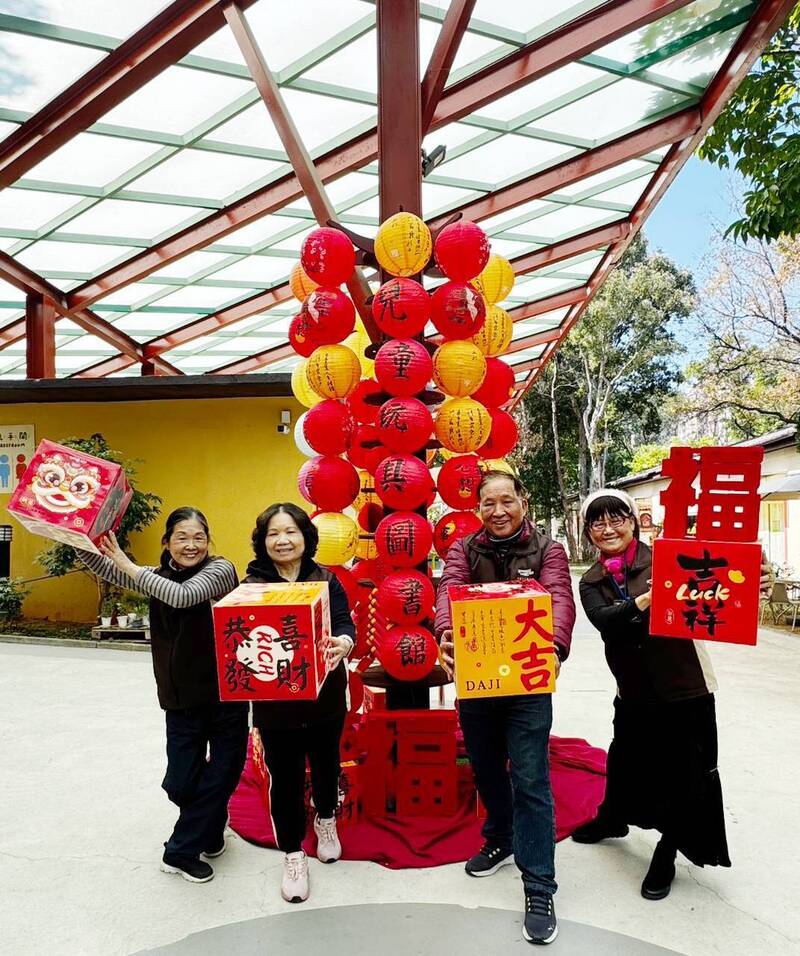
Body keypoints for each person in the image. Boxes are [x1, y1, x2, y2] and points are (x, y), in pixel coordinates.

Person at [574, 489, 770, 900]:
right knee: (625, 760)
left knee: (685, 772)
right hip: (633, 690)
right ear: (588, 531)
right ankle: (613, 818)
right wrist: (648, 599)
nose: (608, 529)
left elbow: (722, 588)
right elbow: (606, 622)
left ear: (633, 521)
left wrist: (755, 580)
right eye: (598, 522)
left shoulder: (670, 559)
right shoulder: (591, 580)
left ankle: (668, 849)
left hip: (685, 685)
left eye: (617, 519)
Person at [435, 471, 576, 946]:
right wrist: (445, 634)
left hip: (527, 685)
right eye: (488, 503)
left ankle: (539, 886)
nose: (498, 511)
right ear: (478, 508)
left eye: (506, 501)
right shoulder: (464, 549)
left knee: (531, 777)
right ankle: (500, 836)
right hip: (478, 682)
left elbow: (559, 597)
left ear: (523, 502)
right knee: (486, 765)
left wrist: (554, 646)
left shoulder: (547, 550)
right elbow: (448, 590)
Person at [78, 507, 248, 884]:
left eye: (199, 537)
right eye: (182, 537)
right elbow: (106, 568)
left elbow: (184, 597)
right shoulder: (158, 577)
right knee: (180, 783)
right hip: (180, 698)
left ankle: (179, 851)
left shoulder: (220, 570)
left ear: (209, 541)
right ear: (167, 541)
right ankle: (210, 828)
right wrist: (74, 536)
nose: (191, 545)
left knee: (223, 772)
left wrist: (128, 564)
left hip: (226, 694)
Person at [244, 502, 355, 904]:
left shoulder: (327, 579)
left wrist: (344, 643)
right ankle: (293, 853)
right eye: (273, 533)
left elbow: (344, 622)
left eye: (290, 531)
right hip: (276, 704)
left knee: (326, 764)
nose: (283, 540)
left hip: (325, 696)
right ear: (262, 541)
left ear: (306, 536)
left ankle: (326, 818)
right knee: (285, 776)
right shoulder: (250, 587)